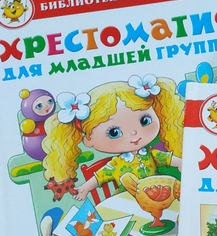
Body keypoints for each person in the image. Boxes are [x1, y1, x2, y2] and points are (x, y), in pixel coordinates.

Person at [41, 74, 183, 201]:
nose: (134, 133)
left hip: (158, 197)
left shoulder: (150, 154)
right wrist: (85, 188)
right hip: (127, 201)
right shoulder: (116, 164)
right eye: (114, 132)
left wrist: (181, 163)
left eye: (145, 120)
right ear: (88, 140)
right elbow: (100, 176)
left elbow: (167, 158)